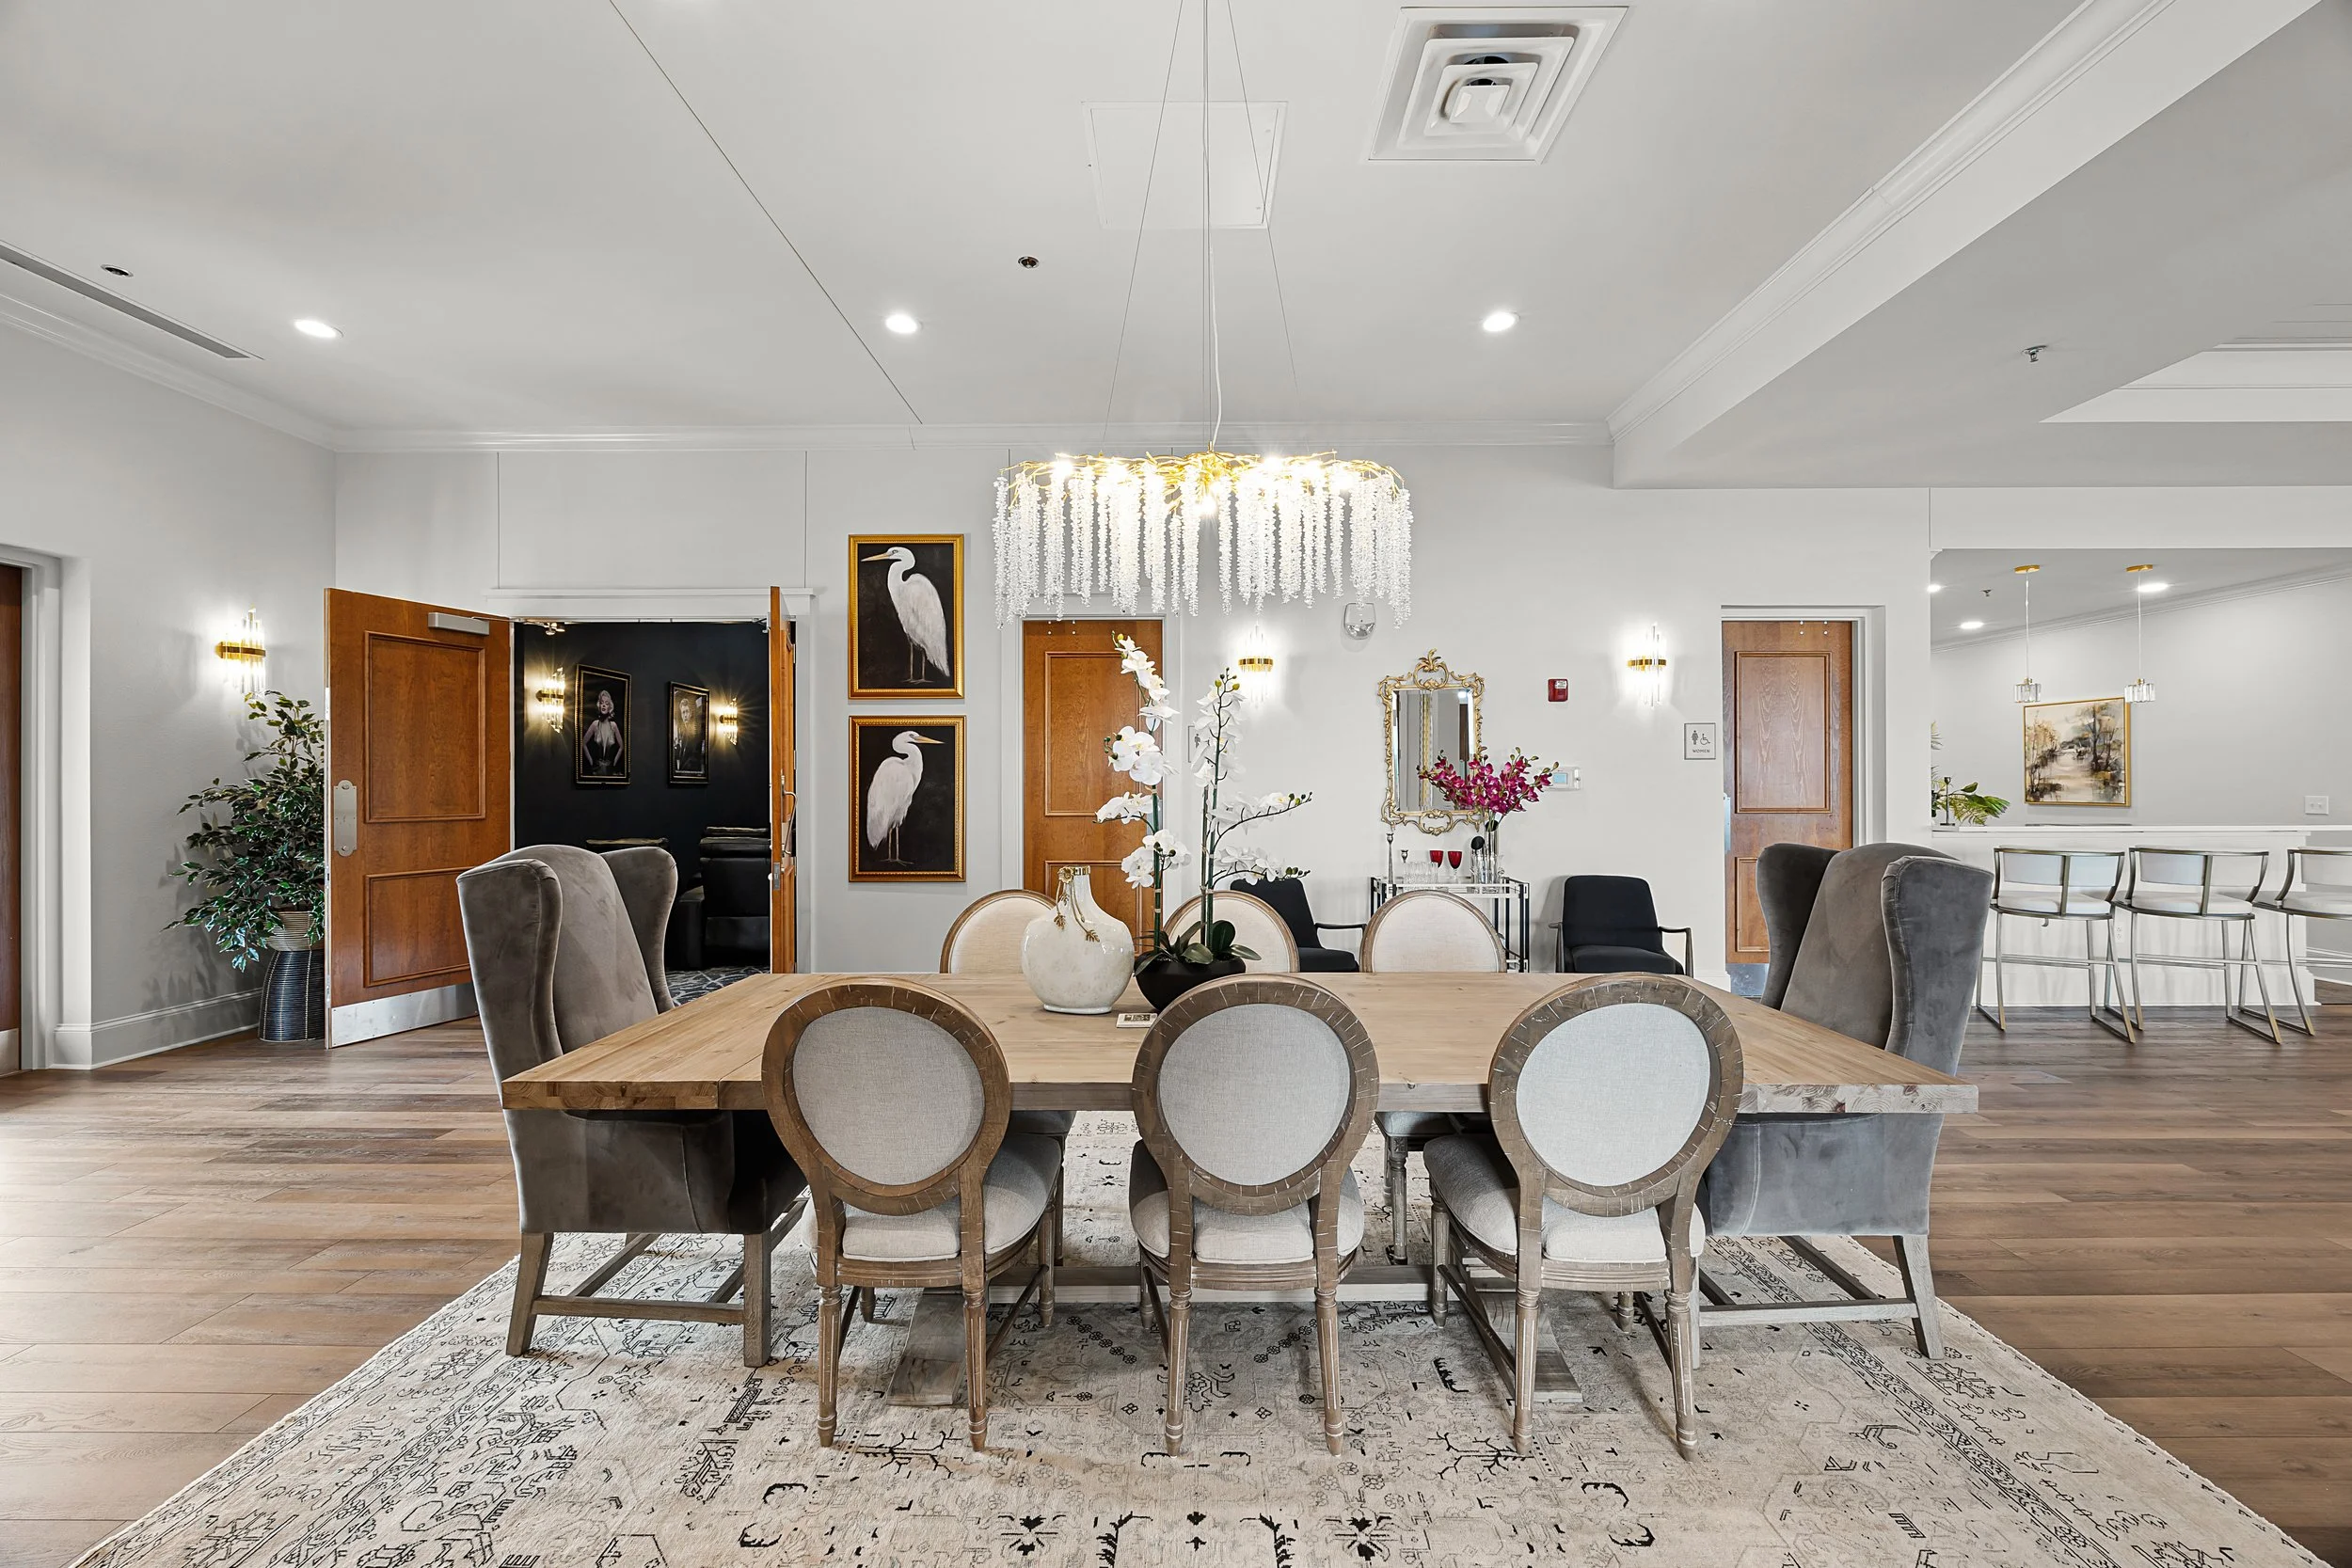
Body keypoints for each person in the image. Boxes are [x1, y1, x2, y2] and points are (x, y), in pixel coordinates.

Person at [582, 687, 624, 777]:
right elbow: (583, 743)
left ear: (610, 707)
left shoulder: (613, 725)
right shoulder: (595, 724)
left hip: (610, 770)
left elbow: (622, 746)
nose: (604, 705)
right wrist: (591, 762)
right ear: (599, 705)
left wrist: (614, 763)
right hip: (596, 771)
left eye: (606, 703)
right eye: (602, 703)